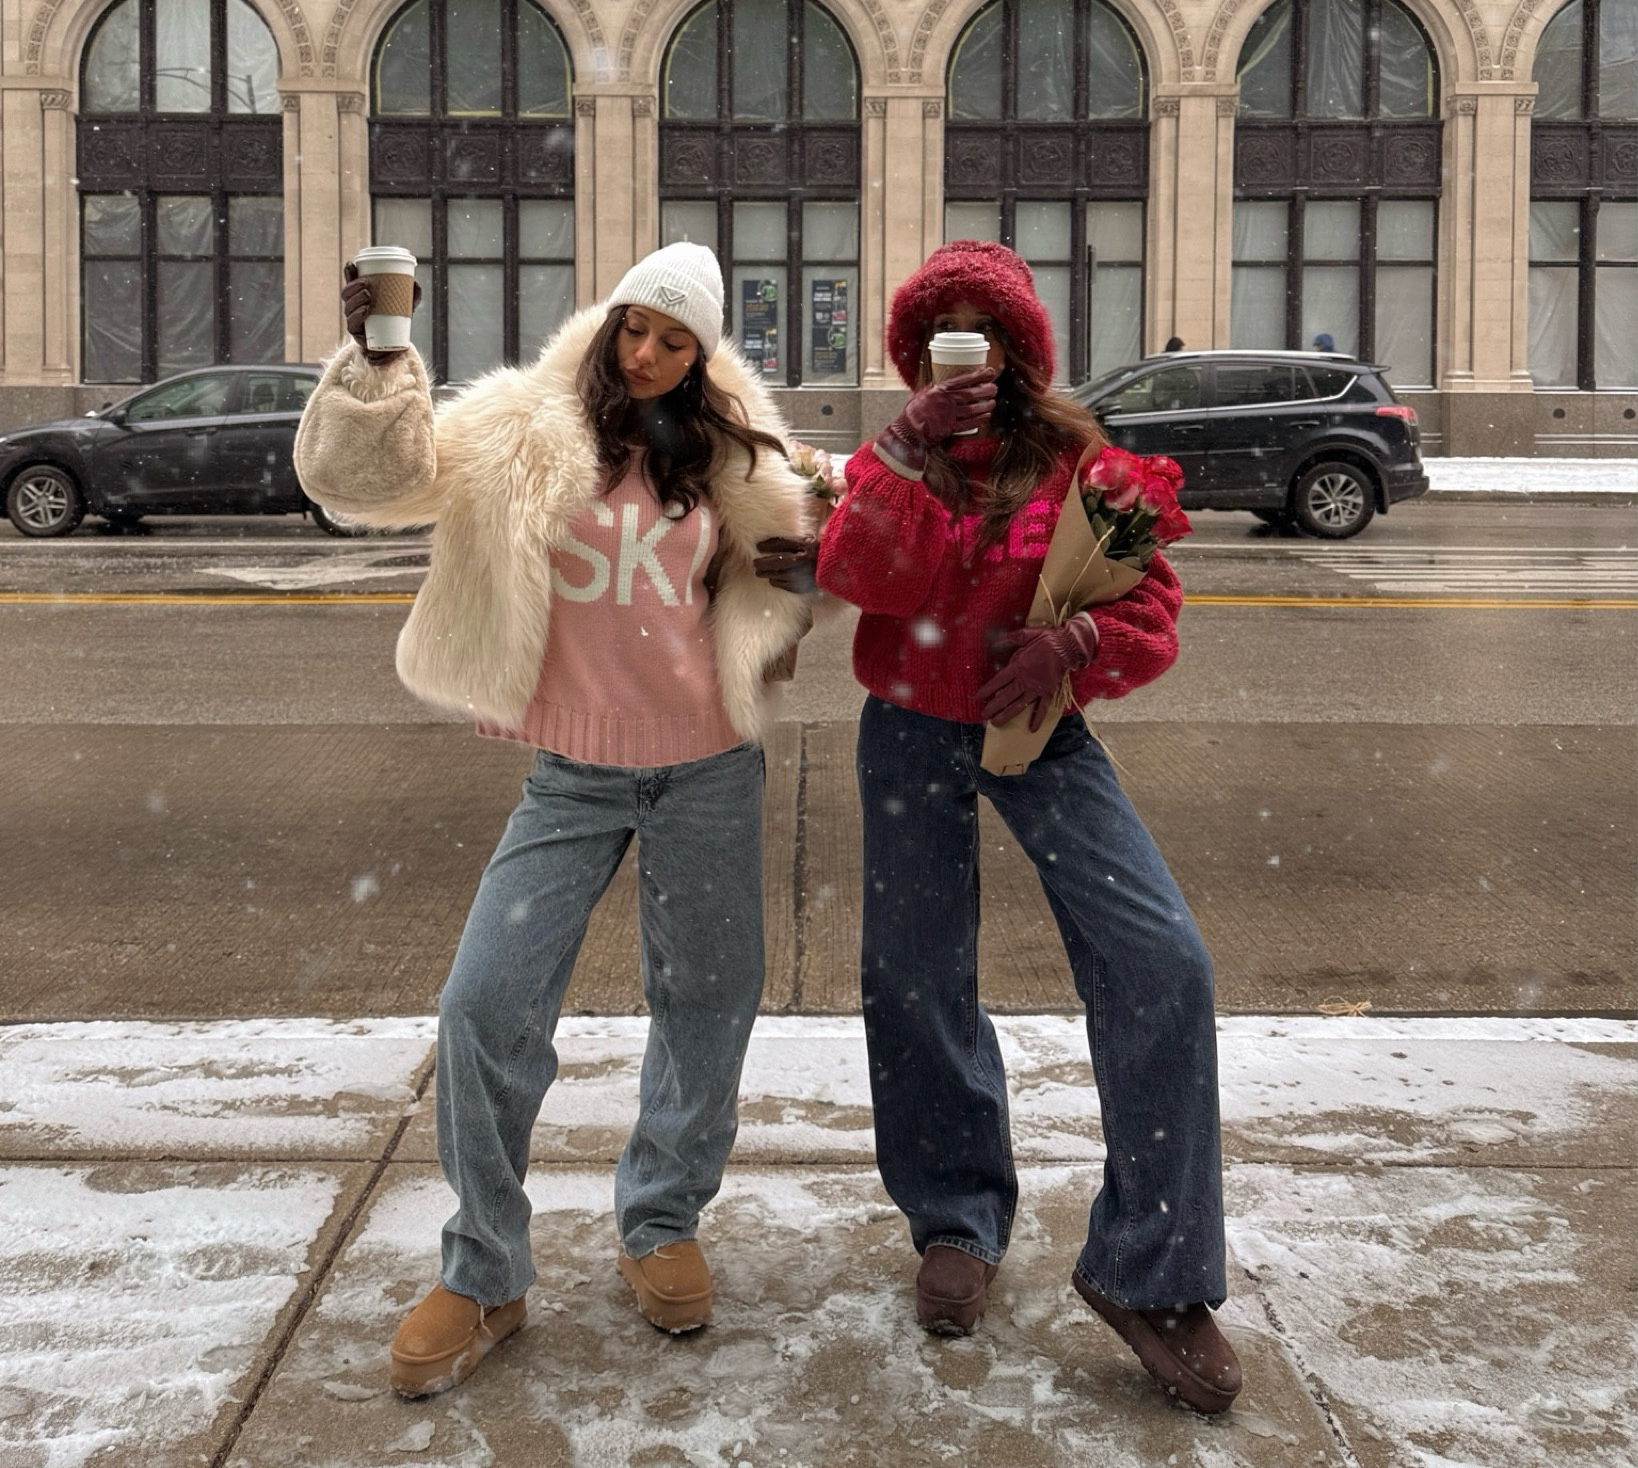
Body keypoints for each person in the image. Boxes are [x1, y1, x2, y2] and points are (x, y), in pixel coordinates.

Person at [294, 242, 820, 1397]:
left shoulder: (735, 454)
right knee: (484, 1004)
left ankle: (663, 1218)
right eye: (637, 325)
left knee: (708, 999)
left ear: (702, 355)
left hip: (708, 773)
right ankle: (485, 1267)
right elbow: (365, 484)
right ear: (610, 318)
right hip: (569, 776)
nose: (646, 352)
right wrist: (379, 363)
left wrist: (806, 575)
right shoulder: (520, 426)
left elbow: (786, 587)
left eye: (675, 340)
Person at [815, 240, 1241, 1417]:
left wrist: (1078, 645)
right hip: (906, 725)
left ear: (1024, 348)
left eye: (987, 332)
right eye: (944, 333)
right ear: (914, 354)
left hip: (1040, 733)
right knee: (913, 976)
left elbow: (1148, 605)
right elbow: (862, 577)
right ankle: (955, 1217)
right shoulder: (893, 454)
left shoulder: (1079, 460)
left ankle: (1150, 1268)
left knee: (1161, 962)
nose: (970, 351)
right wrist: (901, 452)